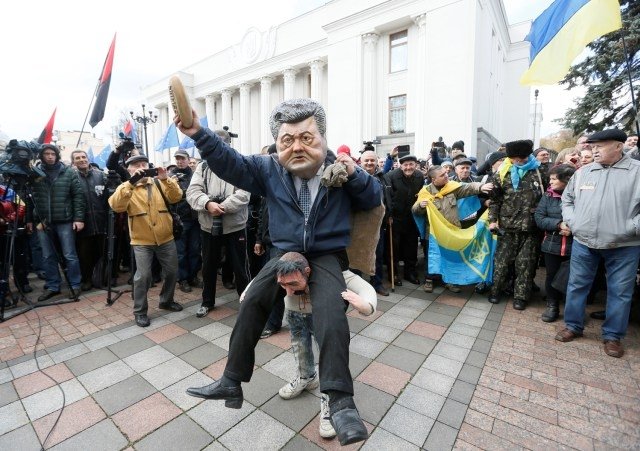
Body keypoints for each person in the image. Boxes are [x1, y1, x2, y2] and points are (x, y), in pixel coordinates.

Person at [180, 98, 380, 446]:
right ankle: (232, 379)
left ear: (323, 138)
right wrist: (198, 133)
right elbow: (230, 162)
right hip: (283, 251)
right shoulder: (267, 169)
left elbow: (374, 198)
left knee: (332, 316)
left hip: (326, 255)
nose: (298, 146)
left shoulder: (341, 169)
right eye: (288, 140)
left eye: (307, 137)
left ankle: (341, 401)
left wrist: (355, 174)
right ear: (278, 143)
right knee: (253, 300)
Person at [241, 252, 377, 439]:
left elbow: (363, 286)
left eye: (293, 284)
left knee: (328, 355)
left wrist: (366, 304)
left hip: (322, 317)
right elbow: (259, 280)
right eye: (283, 285)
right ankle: (306, 377)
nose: (287, 290)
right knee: (299, 345)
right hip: (295, 316)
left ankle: (332, 399)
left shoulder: (327, 270)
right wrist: (249, 293)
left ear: (307, 271)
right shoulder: (284, 268)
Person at [556, 129, 640, 358]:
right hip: (584, 242)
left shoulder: (636, 172)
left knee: (620, 292)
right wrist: (573, 221)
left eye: (600, 146)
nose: (594, 151)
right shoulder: (583, 172)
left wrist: (631, 228)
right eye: (592, 147)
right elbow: (568, 199)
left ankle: (613, 336)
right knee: (576, 285)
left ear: (618, 146)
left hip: (624, 246)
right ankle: (573, 326)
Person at [108, 155, 184, 327]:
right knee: (143, 276)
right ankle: (140, 311)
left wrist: (166, 180)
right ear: (129, 169)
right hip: (141, 240)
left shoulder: (159, 183)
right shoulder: (126, 188)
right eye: (136, 165)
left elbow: (176, 197)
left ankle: (166, 300)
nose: (141, 167)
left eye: (144, 164)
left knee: (172, 271)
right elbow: (116, 205)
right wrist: (131, 183)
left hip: (165, 237)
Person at [186, 145, 251, 318]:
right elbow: (192, 192)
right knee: (208, 265)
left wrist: (222, 207)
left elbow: (245, 193)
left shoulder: (239, 164)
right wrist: (208, 204)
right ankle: (207, 301)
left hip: (235, 226)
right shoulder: (203, 166)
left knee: (240, 267)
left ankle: (246, 302)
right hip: (208, 225)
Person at [413, 165, 493, 293]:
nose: (446, 176)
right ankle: (429, 280)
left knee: (450, 255)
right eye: (442, 175)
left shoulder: (452, 187)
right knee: (432, 255)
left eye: (446, 173)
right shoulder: (425, 192)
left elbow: (468, 188)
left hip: (452, 231)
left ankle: (449, 281)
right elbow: (415, 210)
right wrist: (420, 206)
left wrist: (481, 187)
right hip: (433, 233)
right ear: (434, 180)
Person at [488, 140, 546, 310]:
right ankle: (496, 291)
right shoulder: (502, 172)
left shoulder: (540, 171)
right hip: (507, 226)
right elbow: (495, 200)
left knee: (526, 264)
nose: (518, 162)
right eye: (514, 159)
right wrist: (493, 221)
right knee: (501, 262)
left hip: (531, 227)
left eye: (521, 158)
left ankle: (521, 296)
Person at [27, 144, 85, 301]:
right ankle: (53, 286)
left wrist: (79, 219)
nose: (50, 156)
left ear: (57, 155)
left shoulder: (68, 172)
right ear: (42, 156)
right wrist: (30, 220)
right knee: (47, 256)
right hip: (43, 221)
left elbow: (78, 196)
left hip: (65, 220)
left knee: (70, 255)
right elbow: (30, 199)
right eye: (47, 153)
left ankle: (75, 284)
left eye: (53, 153)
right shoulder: (35, 174)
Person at [534, 164, 576, 322]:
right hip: (552, 243)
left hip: (575, 245)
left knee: (574, 278)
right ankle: (552, 305)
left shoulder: (580, 196)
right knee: (551, 275)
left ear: (566, 180)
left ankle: (572, 309)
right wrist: (559, 224)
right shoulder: (548, 196)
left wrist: (572, 227)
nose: (550, 182)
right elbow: (539, 218)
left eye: (553, 179)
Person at [71, 149, 108, 291]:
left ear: (87, 158)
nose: (81, 159)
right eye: (77, 158)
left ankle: (103, 277)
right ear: (74, 162)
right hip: (82, 223)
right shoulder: (71, 177)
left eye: (83, 157)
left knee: (103, 252)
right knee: (85, 255)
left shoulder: (101, 175)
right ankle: (86, 280)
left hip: (101, 221)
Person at [385, 154, 424, 286]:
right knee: (394, 247)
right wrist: (388, 215)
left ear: (415, 165)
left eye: (411, 164)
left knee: (411, 247)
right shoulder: (391, 176)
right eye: (405, 165)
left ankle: (410, 272)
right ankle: (393, 273)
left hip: (412, 217)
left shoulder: (419, 176)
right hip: (395, 218)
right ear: (401, 166)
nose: (408, 167)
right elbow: (388, 197)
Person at [170, 149, 202, 293]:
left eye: (182, 159)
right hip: (180, 220)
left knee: (195, 250)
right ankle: (182, 279)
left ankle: (193, 276)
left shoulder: (196, 175)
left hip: (195, 219)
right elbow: (168, 198)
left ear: (188, 160)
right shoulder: (171, 177)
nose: (179, 161)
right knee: (181, 252)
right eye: (177, 159)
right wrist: (172, 184)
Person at [360, 149, 391, 296]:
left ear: (377, 162)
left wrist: (389, 215)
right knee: (357, 255)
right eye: (366, 160)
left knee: (377, 255)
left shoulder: (382, 177)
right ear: (361, 162)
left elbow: (387, 197)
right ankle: (357, 286)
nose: (369, 163)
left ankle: (377, 283)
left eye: (372, 160)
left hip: (378, 224)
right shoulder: (355, 176)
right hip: (359, 224)